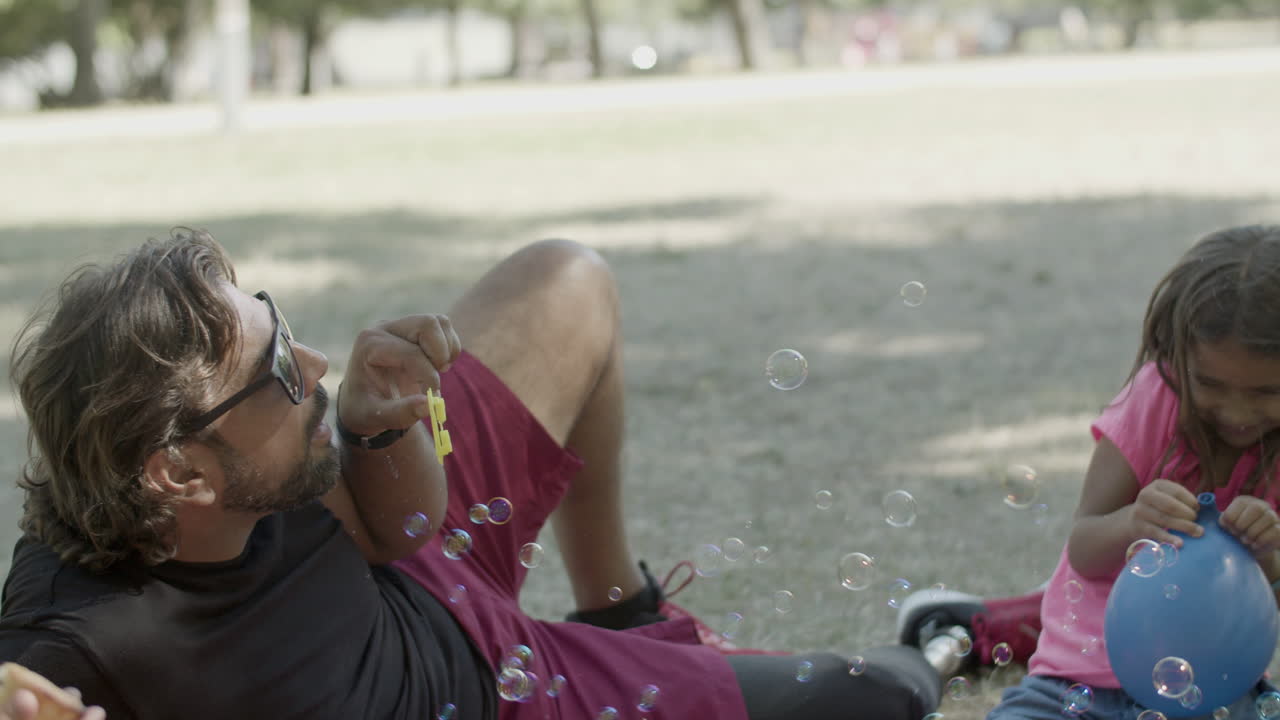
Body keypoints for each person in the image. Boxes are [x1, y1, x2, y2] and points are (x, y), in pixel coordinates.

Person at [0, 229, 942, 720]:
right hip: (509, 698)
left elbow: (396, 533)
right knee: (885, 695)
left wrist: (376, 433)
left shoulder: (264, 464)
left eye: (278, 323)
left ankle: (625, 614)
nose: (317, 364)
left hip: (423, 577)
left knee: (564, 278)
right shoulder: (67, 648)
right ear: (179, 473)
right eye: (282, 368)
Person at [897, 224, 1280, 719]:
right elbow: (1085, 546)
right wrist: (1133, 523)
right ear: (1175, 356)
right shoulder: (1157, 400)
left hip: (1215, 693)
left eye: (1267, 392)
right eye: (1209, 383)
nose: (1235, 410)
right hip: (1078, 681)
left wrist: (1267, 554)